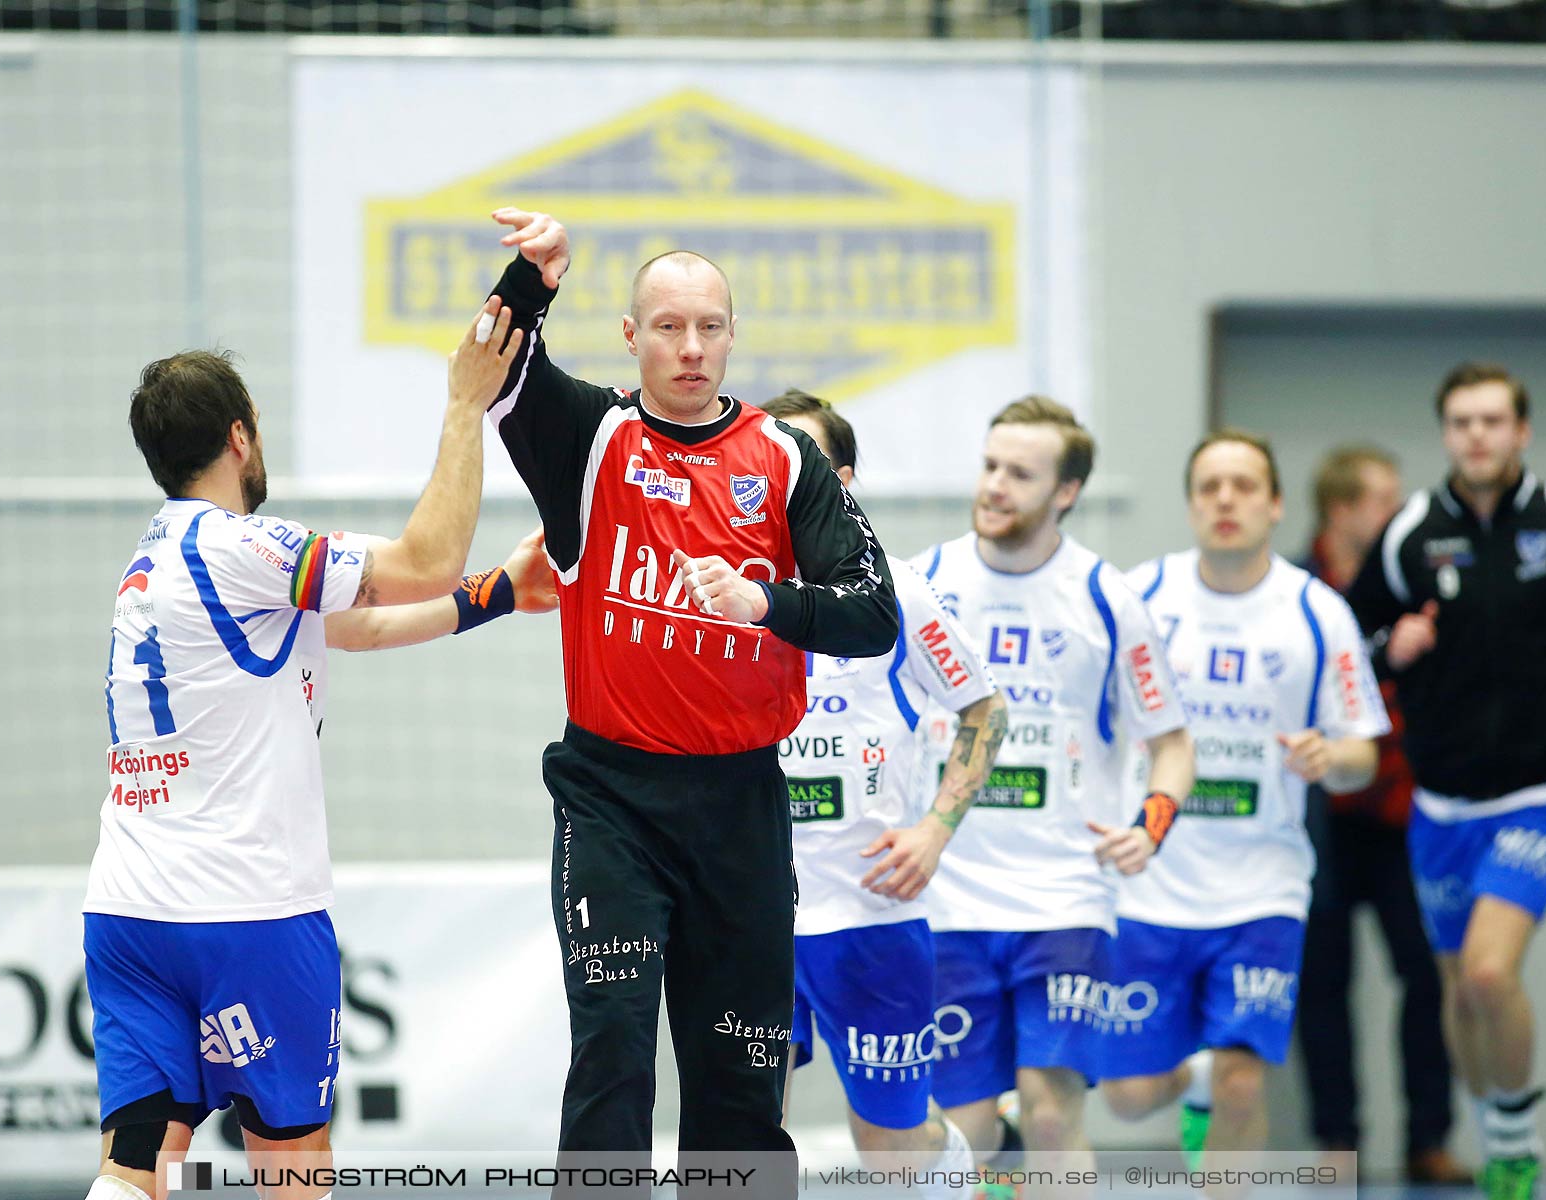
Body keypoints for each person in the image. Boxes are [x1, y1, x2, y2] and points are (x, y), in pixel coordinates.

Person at [84, 309, 555, 1200]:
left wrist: (498, 593)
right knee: (293, 1164)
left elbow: (359, 625)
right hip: (247, 912)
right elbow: (424, 560)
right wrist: (465, 405)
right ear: (240, 434)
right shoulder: (246, 546)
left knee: (141, 1159)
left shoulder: (155, 560)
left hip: (129, 911)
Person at [479, 210, 898, 1185]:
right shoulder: (589, 435)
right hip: (612, 800)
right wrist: (530, 281)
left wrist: (765, 601)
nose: (692, 346)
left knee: (740, 1087)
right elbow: (492, 372)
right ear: (631, 336)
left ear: (733, 334)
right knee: (615, 1053)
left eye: (710, 326)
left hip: (742, 807)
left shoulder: (786, 457)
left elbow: (873, 609)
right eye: (669, 326)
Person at [1346, 363, 1546, 1200]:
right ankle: (1491, 1124)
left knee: (1489, 972)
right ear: (1445, 434)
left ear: (1522, 431)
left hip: (1544, 787)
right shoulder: (1410, 531)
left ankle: (1514, 1136)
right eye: (1460, 422)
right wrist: (1390, 649)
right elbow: (1353, 632)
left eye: (1491, 421)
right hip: (1441, 796)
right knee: (1456, 985)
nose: (1475, 435)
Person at [911, 396, 1195, 1191]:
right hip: (950, 901)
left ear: (1065, 492)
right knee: (961, 1134)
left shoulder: (1107, 598)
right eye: (990, 466)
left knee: (1047, 1110)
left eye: (1020, 474)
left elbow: (1172, 743)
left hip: (1066, 899)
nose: (996, 486)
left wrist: (1154, 821)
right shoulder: (924, 585)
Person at [1100, 431, 1389, 1181]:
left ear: (1275, 504)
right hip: (1151, 886)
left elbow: (1365, 752)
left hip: (1264, 886)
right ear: (1193, 504)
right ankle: (1186, 1080)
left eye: (1244, 485)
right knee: (1129, 1095)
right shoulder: (1141, 598)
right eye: (1210, 487)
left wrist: (1333, 759)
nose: (1226, 500)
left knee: (1243, 1079)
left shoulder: (1317, 611)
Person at [758, 390, 1007, 1197]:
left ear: (846, 482)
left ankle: (964, 1171)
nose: (786, 480)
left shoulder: (895, 589)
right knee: (745, 1123)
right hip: (750, 913)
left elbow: (984, 704)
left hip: (869, 914)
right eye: (769, 461)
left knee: (889, 1145)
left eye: (809, 463)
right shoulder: (723, 589)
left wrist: (936, 828)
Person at [1296, 445, 1467, 1184]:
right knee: (1322, 981)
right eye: (1384, 502)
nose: (1400, 515)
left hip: (1401, 812)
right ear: (1342, 511)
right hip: (1320, 819)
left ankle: (1428, 1138)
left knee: (1428, 978)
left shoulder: (1415, 591)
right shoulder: (1294, 592)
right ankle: (1339, 1143)